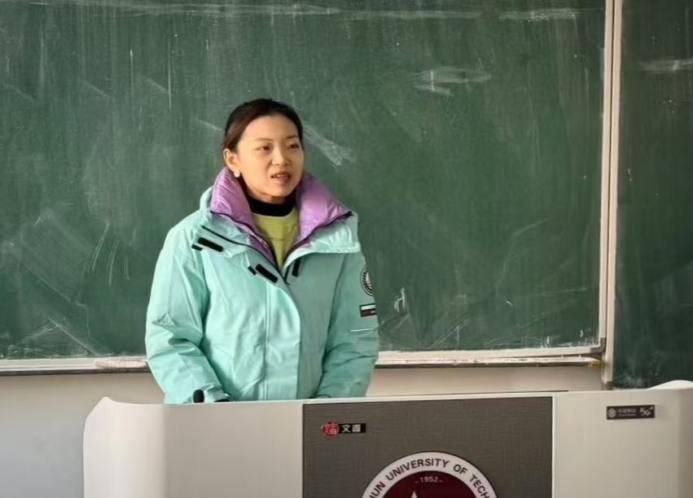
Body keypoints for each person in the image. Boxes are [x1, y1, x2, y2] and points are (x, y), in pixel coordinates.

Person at [145, 98, 380, 403]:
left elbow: (355, 342)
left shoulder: (338, 239)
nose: (281, 159)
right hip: (215, 423)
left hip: (309, 424)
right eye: (264, 148)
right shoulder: (194, 238)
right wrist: (215, 410)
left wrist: (325, 414)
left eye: (292, 146)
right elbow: (171, 337)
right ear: (233, 160)